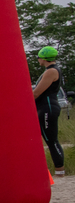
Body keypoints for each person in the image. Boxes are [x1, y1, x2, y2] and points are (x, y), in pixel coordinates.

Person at [33, 45, 65, 176]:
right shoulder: (50, 70)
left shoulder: (51, 71)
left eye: (39, 57)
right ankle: (58, 170)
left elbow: (36, 93)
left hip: (48, 108)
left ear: (43, 58)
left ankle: (60, 171)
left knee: (51, 140)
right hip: (46, 107)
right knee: (48, 139)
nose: (38, 59)